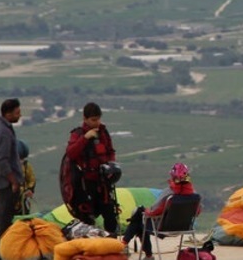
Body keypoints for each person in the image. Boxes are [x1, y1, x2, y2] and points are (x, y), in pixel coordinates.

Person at [122, 162, 201, 260]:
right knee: (140, 219)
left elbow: (154, 211)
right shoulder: (195, 196)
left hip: (162, 227)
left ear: (172, 176)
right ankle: (145, 254)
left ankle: (126, 246)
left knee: (139, 218)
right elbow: (197, 212)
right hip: (185, 227)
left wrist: (144, 211)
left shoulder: (169, 194)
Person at [64, 102, 119, 235]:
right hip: (85, 185)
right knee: (87, 217)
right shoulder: (77, 134)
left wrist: (111, 166)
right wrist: (85, 138)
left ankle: (112, 243)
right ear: (85, 119)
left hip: (103, 183)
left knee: (110, 214)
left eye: (98, 119)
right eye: (93, 120)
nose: (96, 123)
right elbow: (71, 153)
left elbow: (110, 151)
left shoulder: (103, 132)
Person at [0, 98, 24, 260]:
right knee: (4, 216)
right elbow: (1, 160)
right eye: (17, 113)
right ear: (8, 114)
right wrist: (13, 180)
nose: (20, 115)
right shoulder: (2, 132)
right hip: (5, 181)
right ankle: (0, 251)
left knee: (1, 213)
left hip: (0, 179)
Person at [0, 139, 37, 222]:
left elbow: (31, 179)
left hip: (18, 203)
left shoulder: (25, 166)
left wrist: (30, 190)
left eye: (22, 160)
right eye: (18, 160)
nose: (21, 163)